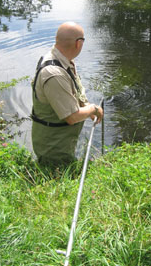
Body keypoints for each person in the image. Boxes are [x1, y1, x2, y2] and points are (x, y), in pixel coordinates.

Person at [31, 21, 104, 167]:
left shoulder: (62, 60)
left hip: (62, 141)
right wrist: (94, 109)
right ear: (78, 43)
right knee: (60, 180)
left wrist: (85, 104)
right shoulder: (54, 74)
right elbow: (72, 117)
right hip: (54, 150)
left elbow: (74, 90)